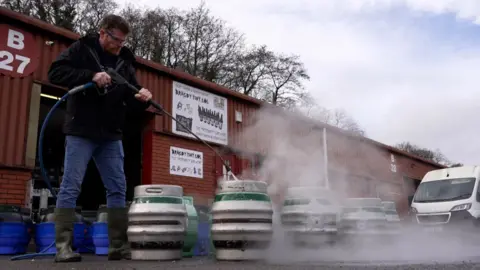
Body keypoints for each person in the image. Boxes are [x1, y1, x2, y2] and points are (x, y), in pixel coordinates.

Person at [47, 14, 152, 263]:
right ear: (103, 33)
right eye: (116, 39)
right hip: (81, 130)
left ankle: (118, 246)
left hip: (110, 135)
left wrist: (142, 98)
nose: (120, 45)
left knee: (117, 187)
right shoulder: (82, 49)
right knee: (71, 186)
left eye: (123, 41)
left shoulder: (125, 62)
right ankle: (63, 247)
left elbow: (130, 99)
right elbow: (56, 73)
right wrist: (90, 76)